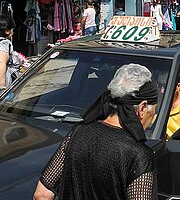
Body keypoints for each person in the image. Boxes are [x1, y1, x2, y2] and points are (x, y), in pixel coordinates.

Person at [34, 64, 158, 200]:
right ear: (142, 108)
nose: (152, 118)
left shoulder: (77, 133)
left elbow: (42, 195)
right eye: (153, 111)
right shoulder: (139, 155)